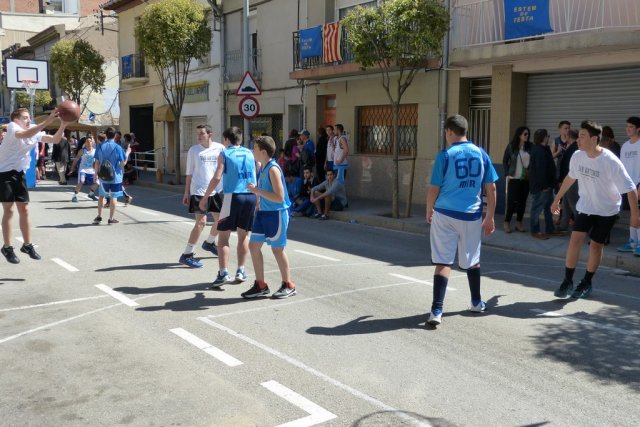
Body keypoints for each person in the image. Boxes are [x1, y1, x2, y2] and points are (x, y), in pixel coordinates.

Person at [552, 120, 639, 299]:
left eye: (582, 136)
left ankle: (586, 282)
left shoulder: (610, 161)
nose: (578, 140)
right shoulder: (577, 156)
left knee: (595, 246)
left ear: (594, 139)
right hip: (586, 206)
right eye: (579, 136)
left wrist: (635, 215)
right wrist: (557, 198)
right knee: (575, 240)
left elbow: (630, 188)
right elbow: (570, 178)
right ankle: (567, 281)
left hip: (607, 210)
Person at [426, 114, 498, 326]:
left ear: (449, 132)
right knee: (472, 260)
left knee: (443, 261)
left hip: (445, 214)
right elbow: (492, 188)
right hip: (471, 215)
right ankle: (476, 302)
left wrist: (429, 209)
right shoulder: (481, 153)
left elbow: (434, 188)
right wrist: (490, 217)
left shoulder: (445, 155)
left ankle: (436, 311)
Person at [0, 108, 69, 264]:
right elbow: (25, 134)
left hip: (19, 173)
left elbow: (55, 140)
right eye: (25, 117)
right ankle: (7, 247)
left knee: (24, 209)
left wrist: (63, 125)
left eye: (29, 117)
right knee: (9, 210)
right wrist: (49, 120)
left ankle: (27, 245)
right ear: (16, 119)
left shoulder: (33, 130)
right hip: (3, 173)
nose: (28, 120)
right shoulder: (12, 127)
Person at [200, 126, 257, 287]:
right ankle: (241, 270)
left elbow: (217, 177)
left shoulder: (224, 153)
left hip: (233, 196)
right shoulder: (250, 153)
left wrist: (205, 197)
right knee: (243, 235)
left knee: (223, 236)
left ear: (226, 140)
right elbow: (257, 171)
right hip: (251, 195)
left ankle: (223, 273)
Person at [242, 135, 296, 299]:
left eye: (255, 149)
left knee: (277, 249)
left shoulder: (273, 169)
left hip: (276, 213)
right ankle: (261, 285)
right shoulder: (263, 167)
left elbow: (279, 197)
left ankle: (288, 285)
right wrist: (258, 199)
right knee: (253, 246)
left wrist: (257, 191)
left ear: (263, 152)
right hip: (263, 213)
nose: (253, 151)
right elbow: (266, 191)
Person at [179, 124, 224, 268]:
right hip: (198, 191)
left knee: (222, 221)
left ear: (210, 135)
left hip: (215, 191)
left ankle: (209, 243)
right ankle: (187, 254)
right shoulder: (194, 150)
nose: (198, 136)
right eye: (197, 133)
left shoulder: (220, 148)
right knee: (201, 222)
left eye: (201, 133)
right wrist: (186, 192)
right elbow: (189, 173)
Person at [93, 127, 130, 225]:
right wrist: (127, 152)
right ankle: (111, 218)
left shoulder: (99, 146)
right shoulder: (118, 147)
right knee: (114, 196)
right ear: (115, 135)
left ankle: (99, 216)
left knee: (101, 196)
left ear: (106, 135)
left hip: (103, 176)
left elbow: (97, 162)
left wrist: (95, 174)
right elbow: (123, 164)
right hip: (115, 177)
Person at [528, 129, 561, 240]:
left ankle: (550, 229)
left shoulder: (543, 149)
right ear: (544, 137)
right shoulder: (539, 151)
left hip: (547, 185)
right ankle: (535, 231)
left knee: (548, 208)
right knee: (537, 209)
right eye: (548, 136)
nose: (548, 138)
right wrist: (544, 186)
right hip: (541, 187)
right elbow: (540, 170)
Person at [616, 116, 640, 254]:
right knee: (633, 213)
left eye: (631, 127)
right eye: (627, 126)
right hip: (628, 185)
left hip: (639, 184)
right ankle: (633, 242)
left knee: (638, 213)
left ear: (638, 129)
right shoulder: (625, 146)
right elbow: (622, 167)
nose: (628, 129)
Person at [502, 126, 531, 233]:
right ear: (519, 135)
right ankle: (507, 222)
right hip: (514, 178)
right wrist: (507, 174)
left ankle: (519, 223)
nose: (527, 136)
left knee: (522, 202)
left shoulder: (530, 147)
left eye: (528, 134)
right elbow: (505, 161)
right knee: (512, 202)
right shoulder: (511, 146)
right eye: (525, 134)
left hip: (526, 179)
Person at [556, 129, 579, 232]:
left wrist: (561, 180)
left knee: (573, 204)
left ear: (569, 137)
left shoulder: (574, 149)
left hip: (571, 181)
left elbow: (566, 167)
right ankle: (563, 225)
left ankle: (580, 227)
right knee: (566, 205)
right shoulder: (573, 148)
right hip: (568, 181)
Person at [68, 136, 99, 202]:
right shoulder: (82, 151)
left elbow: (97, 161)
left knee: (97, 183)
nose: (89, 143)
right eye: (87, 141)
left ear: (92, 142)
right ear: (85, 143)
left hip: (91, 170)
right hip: (83, 169)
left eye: (90, 141)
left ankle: (91, 194)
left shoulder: (95, 151)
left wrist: (97, 170)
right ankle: (74, 196)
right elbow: (76, 159)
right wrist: (72, 168)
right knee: (82, 181)